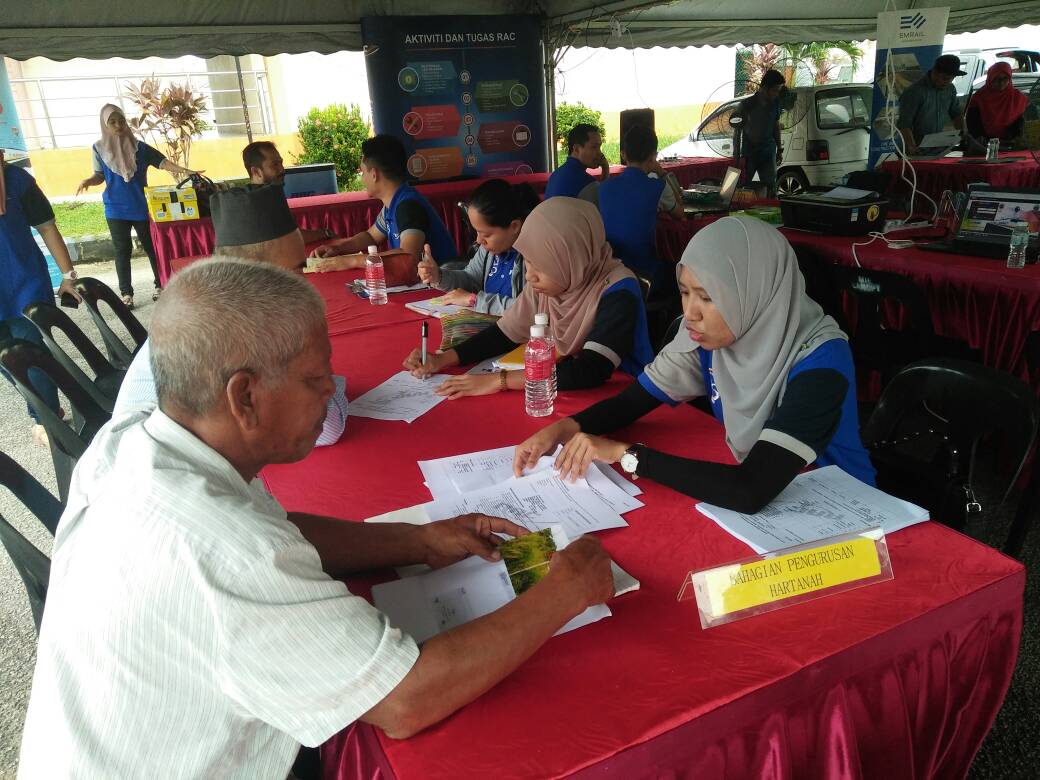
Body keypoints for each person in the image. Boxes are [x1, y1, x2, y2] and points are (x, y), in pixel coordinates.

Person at [18, 257, 613, 777]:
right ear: (244, 397)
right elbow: (404, 700)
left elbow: (279, 530)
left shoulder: (132, 441)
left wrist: (420, 539)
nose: (332, 391)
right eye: (315, 378)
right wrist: (564, 588)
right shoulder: (223, 551)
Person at [513, 216, 877, 514]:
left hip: (845, 510)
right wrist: (560, 430)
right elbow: (629, 404)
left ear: (754, 293)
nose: (690, 313)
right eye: (685, 293)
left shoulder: (821, 359)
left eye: (708, 297)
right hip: (775, 509)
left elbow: (750, 490)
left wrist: (625, 455)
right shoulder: (709, 342)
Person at [113, 184, 349, 447]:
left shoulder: (217, 300)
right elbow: (326, 426)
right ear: (257, 271)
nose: (304, 283)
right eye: (296, 272)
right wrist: (333, 382)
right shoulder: (235, 325)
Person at [403, 198, 654, 399]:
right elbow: (505, 333)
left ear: (571, 259)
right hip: (562, 385)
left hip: (624, 394)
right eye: (529, 262)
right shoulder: (551, 286)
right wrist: (443, 359)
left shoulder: (618, 291)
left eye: (541, 265)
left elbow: (591, 370)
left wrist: (498, 381)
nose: (530, 276)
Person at [76, 104, 198, 308]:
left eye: (121, 121)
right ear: (105, 125)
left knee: (152, 248)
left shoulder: (139, 147)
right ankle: (126, 294)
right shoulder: (98, 148)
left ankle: (160, 285)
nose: (118, 125)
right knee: (122, 251)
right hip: (115, 209)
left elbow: (162, 162)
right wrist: (88, 181)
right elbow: (99, 175)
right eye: (112, 122)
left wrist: (186, 171)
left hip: (141, 207)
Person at [0, 149, 81, 445]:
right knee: (7, 361)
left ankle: (45, 417)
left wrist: (68, 275)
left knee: (32, 355)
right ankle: (43, 408)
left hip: (24, 285)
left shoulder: (16, 180)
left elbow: (46, 226)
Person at [307, 134, 456, 267]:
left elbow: (408, 257)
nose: (362, 179)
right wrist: (338, 248)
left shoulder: (408, 206)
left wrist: (351, 261)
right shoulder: (393, 203)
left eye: (363, 172)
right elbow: (371, 236)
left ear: (374, 175)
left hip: (441, 286)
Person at [417, 179, 539, 313]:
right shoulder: (488, 250)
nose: (479, 240)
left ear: (514, 226)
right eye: (476, 232)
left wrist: (475, 300)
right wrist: (438, 276)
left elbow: (531, 309)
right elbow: (471, 279)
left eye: (486, 234)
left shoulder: (535, 256)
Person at [593, 125, 683, 286]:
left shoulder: (603, 187)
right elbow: (680, 213)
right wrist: (662, 172)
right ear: (653, 156)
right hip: (646, 272)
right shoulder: (657, 187)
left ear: (623, 154)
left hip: (609, 270)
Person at [242, 140, 339, 245]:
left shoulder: (260, 196)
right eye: (275, 165)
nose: (282, 170)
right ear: (256, 172)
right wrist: (326, 233)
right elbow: (289, 237)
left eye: (281, 163)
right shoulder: (258, 202)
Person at [896, 54, 966, 155]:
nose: (947, 82)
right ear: (934, 72)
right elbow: (904, 124)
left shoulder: (950, 89)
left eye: (951, 78)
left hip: (937, 148)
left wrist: (963, 135)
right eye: (944, 78)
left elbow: (956, 113)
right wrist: (911, 146)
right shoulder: (914, 92)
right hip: (914, 148)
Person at [734, 69, 785, 193]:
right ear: (765, 88)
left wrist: (779, 149)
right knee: (743, 187)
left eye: (779, 91)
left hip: (768, 152)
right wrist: (737, 156)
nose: (777, 94)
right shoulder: (746, 105)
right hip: (748, 154)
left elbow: (776, 126)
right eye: (775, 90)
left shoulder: (775, 104)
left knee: (770, 188)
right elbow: (737, 132)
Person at [966, 62, 1028, 144]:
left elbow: (1025, 122)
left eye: (1005, 78)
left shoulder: (1019, 98)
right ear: (990, 79)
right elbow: (972, 124)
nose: (1001, 82)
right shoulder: (979, 98)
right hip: (984, 145)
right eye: (996, 79)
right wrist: (979, 138)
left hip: (1013, 144)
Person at [544, 123, 610, 199]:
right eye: (594, 147)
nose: (599, 153)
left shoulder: (555, 176)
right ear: (576, 149)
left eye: (599, 147)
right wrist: (606, 169)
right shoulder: (588, 184)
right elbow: (606, 202)